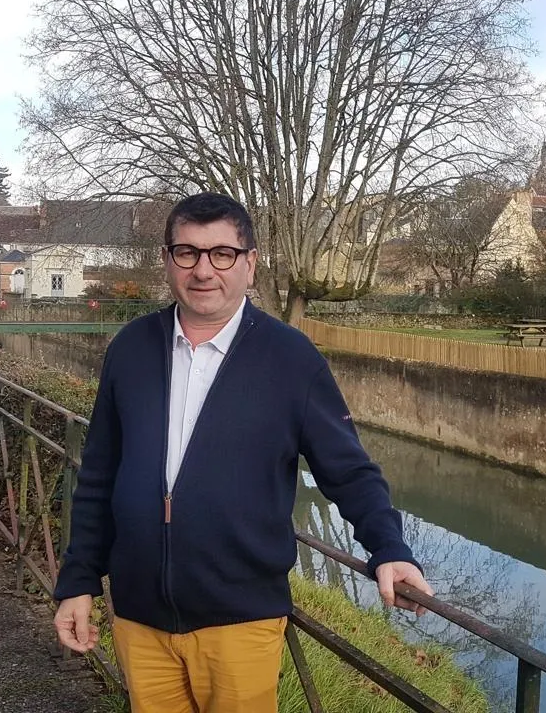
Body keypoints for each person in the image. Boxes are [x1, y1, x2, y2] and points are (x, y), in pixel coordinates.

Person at [51, 192, 433, 712]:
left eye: (222, 254)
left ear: (250, 264)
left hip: (240, 619)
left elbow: (348, 471)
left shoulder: (290, 358)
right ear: (167, 260)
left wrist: (389, 548)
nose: (203, 269)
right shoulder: (131, 348)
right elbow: (99, 474)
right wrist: (78, 580)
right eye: (187, 252)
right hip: (139, 617)